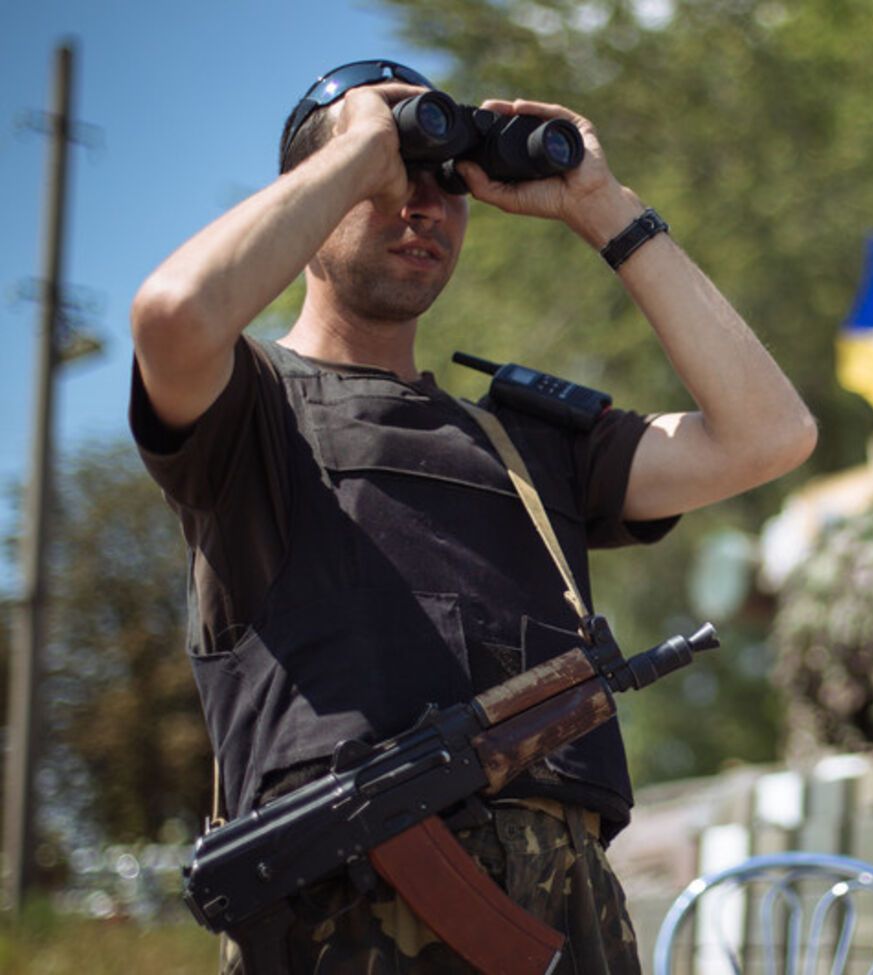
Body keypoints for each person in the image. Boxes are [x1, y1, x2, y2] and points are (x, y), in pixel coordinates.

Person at [130, 59, 816, 973]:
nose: (422, 204)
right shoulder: (251, 413)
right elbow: (175, 315)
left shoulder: (526, 443)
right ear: (309, 192)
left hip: (568, 921)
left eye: (446, 182)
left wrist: (605, 207)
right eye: (387, 179)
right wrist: (363, 144)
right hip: (344, 922)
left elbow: (768, 434)